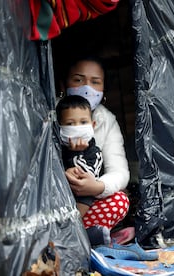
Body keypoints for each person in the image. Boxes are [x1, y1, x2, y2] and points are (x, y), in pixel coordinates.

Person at [58, 55, 131, 246]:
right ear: (63, 84)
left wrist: (96, 187)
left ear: (103, 89)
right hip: (57, 197)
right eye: (78, 80)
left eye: (95, 82)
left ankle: (80, 234)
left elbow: (120, 172)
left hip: (88, 199)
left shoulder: (107, 120)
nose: (86, 88)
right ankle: (84, 236)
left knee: (120, 200)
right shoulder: (51, 113)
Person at [56, 95, 103, 217]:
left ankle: (76, 224)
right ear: (59, 127)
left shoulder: (94, 153)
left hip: (82, 196)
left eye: (83, 122)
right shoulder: (55, 148)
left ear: (92, 125)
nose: (77, 128)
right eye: (70, 124)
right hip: (59, 197)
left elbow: (86, 176)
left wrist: (75, 153)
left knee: (86, 196)